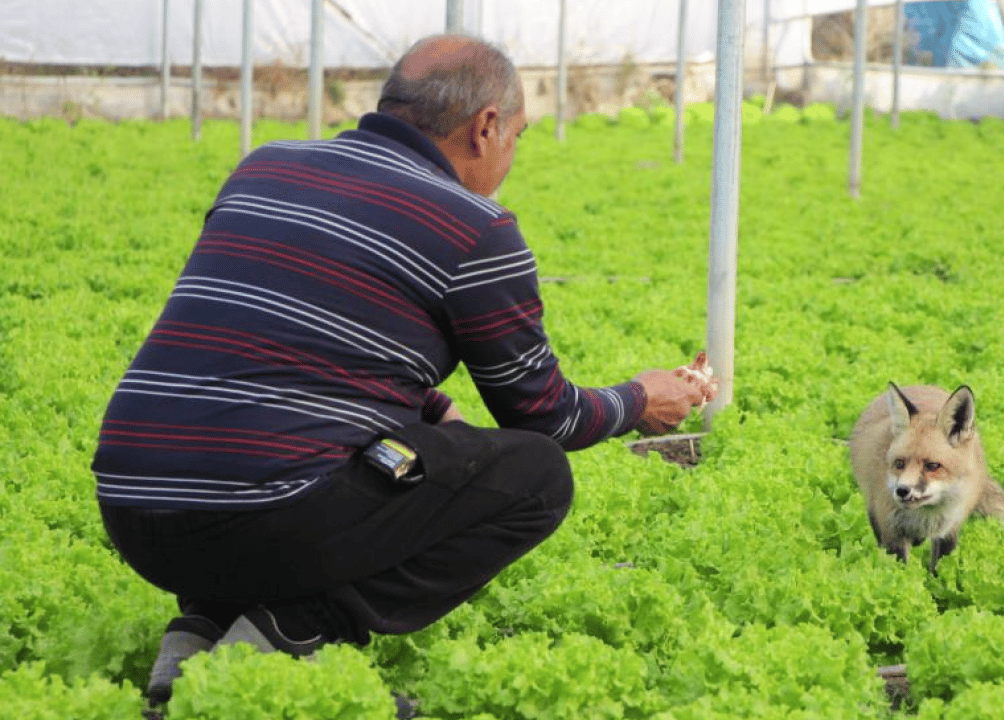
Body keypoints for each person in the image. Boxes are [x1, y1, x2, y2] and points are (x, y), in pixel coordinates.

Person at [92, 34, 715, 706]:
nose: (512, 157)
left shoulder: (265, 165)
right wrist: (639, 398)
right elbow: (546, 417)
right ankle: (286, 639)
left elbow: (290, 356)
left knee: (292, 446)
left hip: (132, 509)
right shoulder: (474, 227)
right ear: (485, 128)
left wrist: (424, 418)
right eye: (518, 136)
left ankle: (199, 634)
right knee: (532, 475)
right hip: (262, 518)